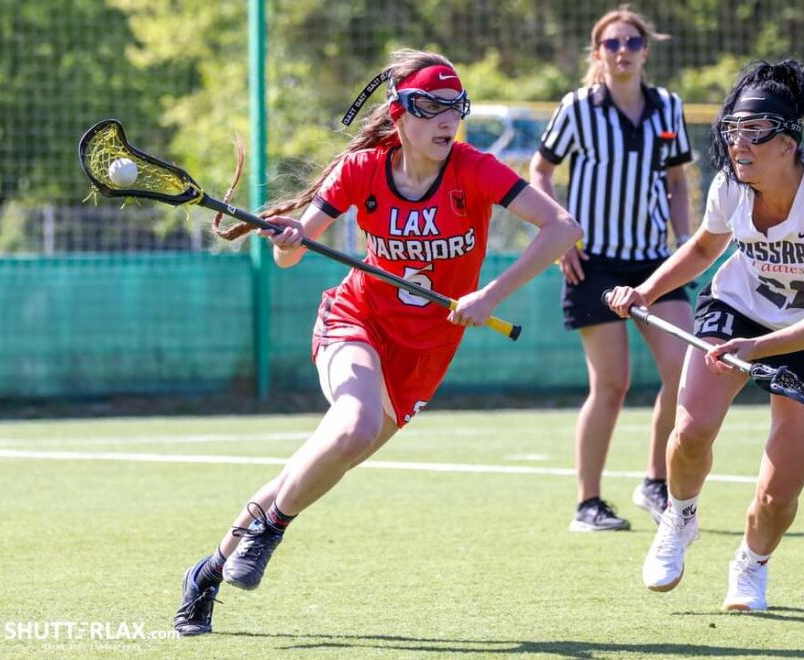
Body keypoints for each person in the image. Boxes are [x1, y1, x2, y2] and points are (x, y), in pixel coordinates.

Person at [172, 49, 582, 636]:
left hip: (424, 354)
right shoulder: (362, 170)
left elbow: (565, 228)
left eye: (455, 108)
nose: (446, 120)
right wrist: (290, 237)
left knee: (322, 460)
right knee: (354, 426)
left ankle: (207, 572)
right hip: (355, 322)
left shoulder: (474, 169)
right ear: (399, 112)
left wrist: (491, 294)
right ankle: (270, 531)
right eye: (430, 107)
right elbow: (288, 256)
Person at [606, 58, 804, 610]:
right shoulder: (730, 185)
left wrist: (758, 350)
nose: (738, 144)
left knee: (777, 495)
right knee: (691, 430)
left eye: (754, 133)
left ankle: (751, 563)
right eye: (733, 131)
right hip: (737, 307)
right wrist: (645, 292)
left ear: (788, 142)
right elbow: (704, 248)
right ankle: (680, 516)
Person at [529, 5, 694, 532]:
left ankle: (655, 482)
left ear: (646, 50)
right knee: (612, 384)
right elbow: (541, 169)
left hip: (653, 263)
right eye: (611, 44)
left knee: (684, 368)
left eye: (631, 43)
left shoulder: (668, 107)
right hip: (594, 263)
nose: (622, 52)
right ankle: (588, 504)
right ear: (598, 54)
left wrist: (684, 240)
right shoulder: (578, 107)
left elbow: (678, 180)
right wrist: (558, 237)